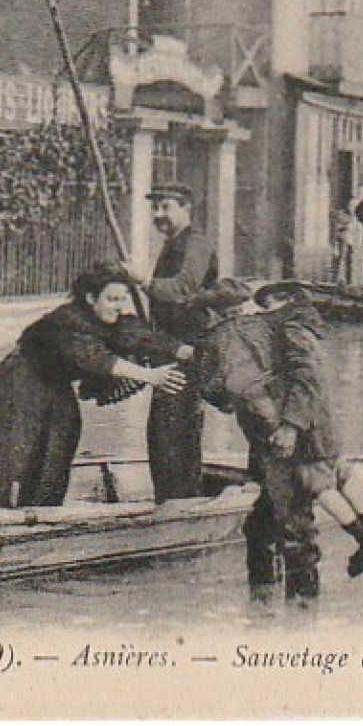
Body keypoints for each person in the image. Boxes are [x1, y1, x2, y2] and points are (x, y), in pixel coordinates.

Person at [196, 280, 363, 602]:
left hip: (284, 435)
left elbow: (250, 388)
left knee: (295, 524)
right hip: (293, 431)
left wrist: (287, 427)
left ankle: (300, 612)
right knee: (265, 524)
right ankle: (265, 602)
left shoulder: (255, 333)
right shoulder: (282, 326)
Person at [0, 264, 189, 509]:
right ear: (91, 298)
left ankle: (42, 510)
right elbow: (97, 359)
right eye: (112, 299)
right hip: (20, 380)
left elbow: (145, 337)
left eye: (123, 299)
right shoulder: (68, 320)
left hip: (55, 384)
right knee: (4, 447)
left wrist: (184, 351)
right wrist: (150, 375)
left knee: (62, 436)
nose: (120, 307)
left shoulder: (115, 320)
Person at [136, 181, 219, 502]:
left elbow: (183, 289)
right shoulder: (174, 243)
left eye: (166, 207)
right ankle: (172, 500)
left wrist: (143, 281)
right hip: (170, 353)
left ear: (186, 208)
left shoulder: (196, 243)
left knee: (171, 432)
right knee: (163, 431)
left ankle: (180, 504)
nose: (158, 214)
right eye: (155, 208)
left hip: (189, 354)